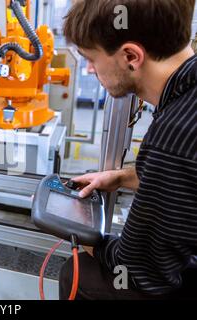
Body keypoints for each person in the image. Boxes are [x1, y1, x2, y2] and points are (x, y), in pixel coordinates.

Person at [59, 0, 197, 299]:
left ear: (131, 56)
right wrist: (121, 177)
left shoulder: (172, 139)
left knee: (78, 274)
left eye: (91, 58)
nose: (89, 69)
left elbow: (137, 270)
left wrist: (84, 236)